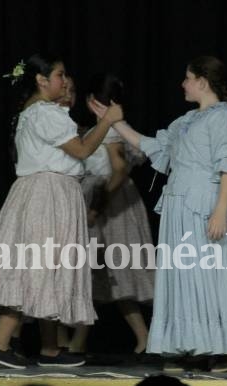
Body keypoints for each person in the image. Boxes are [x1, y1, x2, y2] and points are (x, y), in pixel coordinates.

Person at [91, 56, 227, 372]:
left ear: (202, 82)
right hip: (179, 207)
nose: (182, 84)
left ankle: (221, 346)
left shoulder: (221, 117)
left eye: (187, 78)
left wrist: (221, 210)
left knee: (207, 275)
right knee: (183, 276)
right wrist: (115, 122)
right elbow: (154, 146)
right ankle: (188, 345)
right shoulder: (185, 121)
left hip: (204, 205)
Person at [0, 53, 123, 369]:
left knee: (47, 265)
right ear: (41, 81)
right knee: (36, 264)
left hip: (46, 191)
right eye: (59, 75)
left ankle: (50, 348)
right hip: (48, 194)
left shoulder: (34, 113)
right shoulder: (45, 113)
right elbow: (81, 150)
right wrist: (107, 122)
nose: (65, 81)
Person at [67, 73, 155, 358]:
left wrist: (97, 207)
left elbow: (118, 169)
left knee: (107, 272)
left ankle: (80, 342)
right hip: (108, 200)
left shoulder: (112, 130)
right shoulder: (111, 126)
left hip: (112, 206)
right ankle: (141, 337)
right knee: (105, 275)